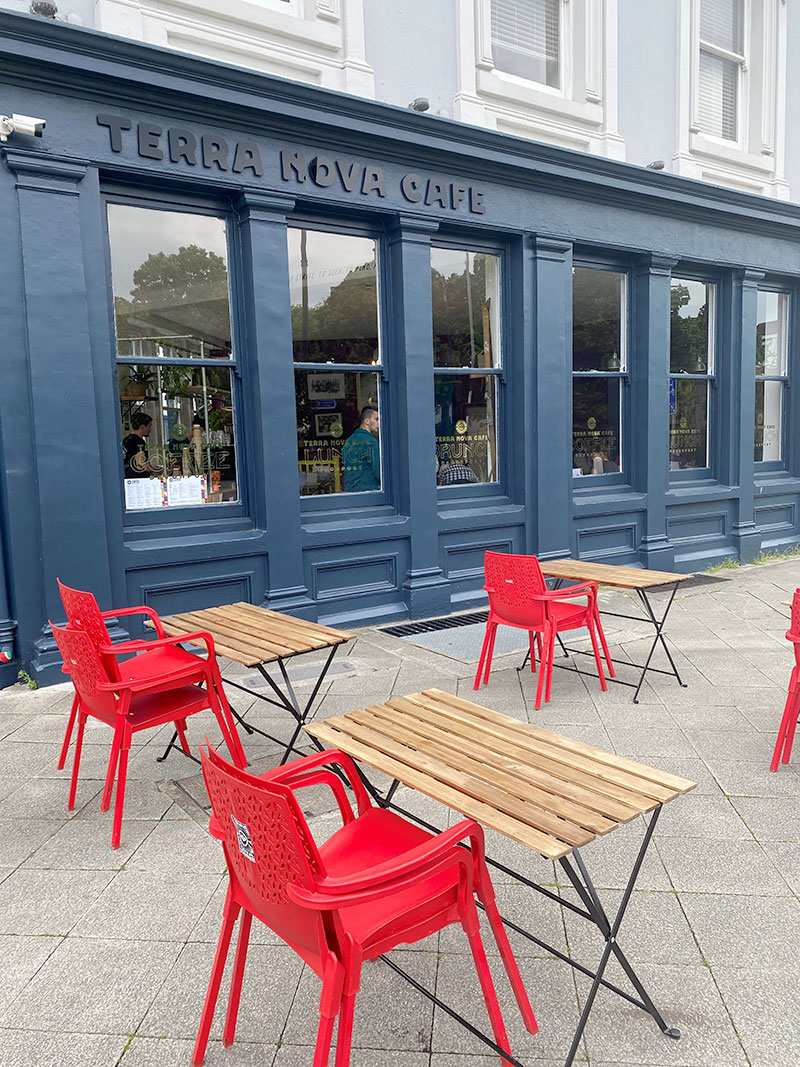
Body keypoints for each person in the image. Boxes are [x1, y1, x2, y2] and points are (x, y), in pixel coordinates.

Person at [342, 405, 380, 492]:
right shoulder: (371, 441)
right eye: (376, 419)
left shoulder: (349, 441)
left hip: (350, 491)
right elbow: (378, 472)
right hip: (368, 490)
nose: (379, 423)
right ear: (366, 421)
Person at [122, 412, 154, 477]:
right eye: (149, 426)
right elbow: (140, 464)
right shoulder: (139, 442)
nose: (150, 429)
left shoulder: (126, 440)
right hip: (137, 478)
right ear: (142, 427)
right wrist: (154, 469)